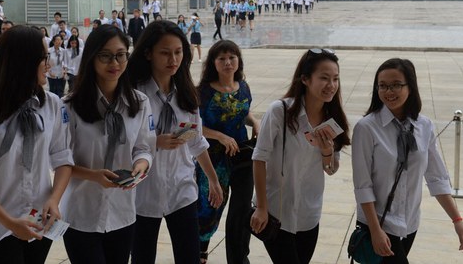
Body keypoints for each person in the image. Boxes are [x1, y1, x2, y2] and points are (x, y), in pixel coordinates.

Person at [0, 26, 73, 264]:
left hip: (39, 221)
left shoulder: (52, 105)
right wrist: (10, 222)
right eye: (43, 58)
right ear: (22, 62)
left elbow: (62, 158)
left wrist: (54, 199)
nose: (48, 64)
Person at [352, 58, 463, 263]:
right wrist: (375, 230)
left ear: (410, 87)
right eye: (383, 86)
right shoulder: (366, 128)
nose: (389, 91)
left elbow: (437, 178)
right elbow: (362, 186)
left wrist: (457, 220)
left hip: (409, 224)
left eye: (396, 85)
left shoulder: (424, 125)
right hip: (379, 224)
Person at [128, 21, 223, 264]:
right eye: (165, 53)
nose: (173, 59)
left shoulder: (186, 93)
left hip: (181, 189)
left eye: (178, 52)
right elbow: (123, 143)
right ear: (148, 53)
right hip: (144, 193)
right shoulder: (134, 95)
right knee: (142, 257)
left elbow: (196, 140)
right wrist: (154, 142)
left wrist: (213, 180)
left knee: (189, 256)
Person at [60, 24, 154, 264]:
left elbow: (143, 148)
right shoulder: (69, 106)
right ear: (91, 58)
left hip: (122, 213)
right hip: (81, 214)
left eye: (121, 55)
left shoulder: (140, 103)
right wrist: (93, 175)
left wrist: (140, 166)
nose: (115, 63)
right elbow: (59, 160)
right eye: (105, 56)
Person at [250, 48, 351, 264]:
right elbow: (259, 158)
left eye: (335, 79)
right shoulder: (280, 111)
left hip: (308, 214)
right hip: (277, 211)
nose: (331, 85)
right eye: (324, 78)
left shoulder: (332, 119)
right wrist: (261, 207)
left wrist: (326, 151)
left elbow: (331, 170)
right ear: (305, 79)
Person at [195, 40, 260, 264]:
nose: (228, 62)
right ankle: (200, 252)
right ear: (213, 63)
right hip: (213, 160)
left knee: (241, 211)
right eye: (221, 58)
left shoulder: (243, 87)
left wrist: (255, 122)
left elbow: (243, 112)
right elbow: (194, 127)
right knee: (210, 208)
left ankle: (239, 258)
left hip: (241, 156)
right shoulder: (203, 92)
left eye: (232, 57)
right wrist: (220, 136)